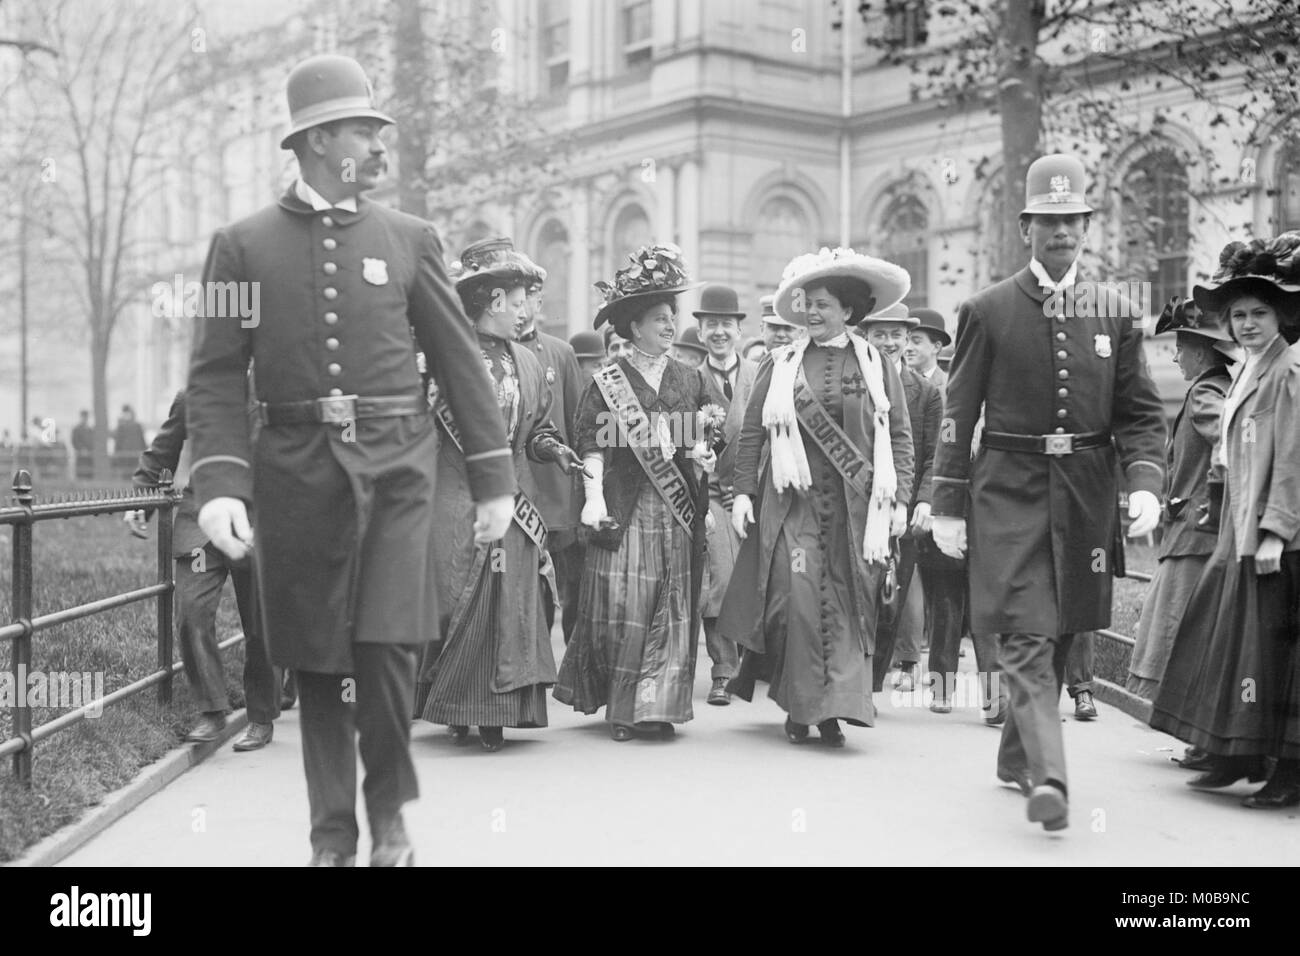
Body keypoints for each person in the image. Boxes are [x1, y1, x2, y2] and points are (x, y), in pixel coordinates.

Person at [187, 54, 515, 866]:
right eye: (364, 129)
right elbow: (218, 374)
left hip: (400, 472)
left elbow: (459, 361)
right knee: (318, 657)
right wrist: (221, 482)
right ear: (317, 139)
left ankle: (391, 816)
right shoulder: (238, 248)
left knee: (388, 647)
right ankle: (332, 836)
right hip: (295, 476)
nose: (377, 143)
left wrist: (492, 479)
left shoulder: (411, 239)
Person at [931, 154, 1166, 831]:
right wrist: (947, 503)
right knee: (1028, 637)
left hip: (1087, 496)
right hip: (1009, 493)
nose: (1063, 233)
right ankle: (1051, 777)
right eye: (1050, 222)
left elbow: (1142, 414)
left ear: (1086, 226)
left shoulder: (1116, 315)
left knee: (1063, 632)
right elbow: (957, 410)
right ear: (1026, 227)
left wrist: (1145, 482)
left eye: (1074, 221)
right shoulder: (988, 310)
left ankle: (1014, 756)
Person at [720, 247, 914, 746]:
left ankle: (834, 712)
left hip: (856, 512)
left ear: (848, 311)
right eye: (807, 303)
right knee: (795, 600)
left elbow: (899, 438)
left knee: (849, 607)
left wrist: (900, 502)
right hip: (793, 507)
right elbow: (751, 436)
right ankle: (800, 704)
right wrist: (742, 493)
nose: (811, 312)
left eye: (823, 304)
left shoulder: (875, 364)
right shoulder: (780, 364)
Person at [1149, 234, 1300, 809]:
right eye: (1237, 315)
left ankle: (1286, 773)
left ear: (1281, 314)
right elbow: (1230, 453)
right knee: (1240, 649)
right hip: (1238, 526)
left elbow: (1291, 455)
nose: (1247, 324)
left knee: (1278, 662)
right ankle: (1231, 751)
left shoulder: (1288, 370)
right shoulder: (1248, 372)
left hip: (1276, 538)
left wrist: (1277, 529)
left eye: (1259, 312)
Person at [415, 242, 583, 752]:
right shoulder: (443, 361)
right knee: (454, 600)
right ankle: (452, 710)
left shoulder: (528, 364)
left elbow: (533, 431)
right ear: (492, 302)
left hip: (512, 501)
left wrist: (554, 449)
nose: (527, 311)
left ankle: (495, 713)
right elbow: (418, 432)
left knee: (509, 607)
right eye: (518, 301)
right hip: (454, 498)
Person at [554, 243, 714, 741]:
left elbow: (703, 434)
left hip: (676, 512)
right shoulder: (608, 381)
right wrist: (594, 499)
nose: (670, 325)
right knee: (625, 604)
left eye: (672, 317)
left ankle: (660, 707)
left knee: (672, 602)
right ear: (635, 327)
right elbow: (590, 443)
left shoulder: (690, 378)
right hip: (625, 508)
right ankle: (624, 709)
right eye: (659, 318)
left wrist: (703, 454)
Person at [126, 389, 285, 751]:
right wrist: (141, 499)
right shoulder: (195, 393)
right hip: (202, 521)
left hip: (261, 521)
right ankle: (212, 709)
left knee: (261, 626)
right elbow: (163, 449)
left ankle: (261, 715)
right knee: (191, 612)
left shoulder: (280, 387)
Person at [1126, 297, 1235, 707]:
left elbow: (1228, 440)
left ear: (1203, 351)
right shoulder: (1217, 387)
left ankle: (1185, 717)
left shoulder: (1207, 391)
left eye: (1181, 348)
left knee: (1177, 630)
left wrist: (1210, 491)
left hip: (1195, 534)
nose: (1174, 357)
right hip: (1194, 531)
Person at [858, 302, 942, 696]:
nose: (888, 342)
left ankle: (872, 686)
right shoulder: (853, 379)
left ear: (907, 340)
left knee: (891, 600)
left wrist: (923, 501)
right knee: (853, 595)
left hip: (902, 511)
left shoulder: (925, 393)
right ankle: (851, 683)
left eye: (896, 335)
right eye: (880, 334)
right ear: (866, 336)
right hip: (857, 506)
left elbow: (932, 456)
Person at [511, 242, 586, 645]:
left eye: (531, 298)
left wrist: (585, 493)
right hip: (518, 490)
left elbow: (577, 424)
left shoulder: (560, 353)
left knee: (570, 587)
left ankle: (573, 662)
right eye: (516, 300)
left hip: (557, 493)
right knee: (529, 588)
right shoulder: (495, 353)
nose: (524, 309)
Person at [693, 283, 759, 705]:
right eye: (711, 324)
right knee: (718, 580)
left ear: (738, 329)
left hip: (754, 491)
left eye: (726, 325)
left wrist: (751, 490)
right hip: (711, 494)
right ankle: (723, 670)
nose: (719, 332)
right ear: (700, 332)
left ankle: (758, 666)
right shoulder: (689, 379)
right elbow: (682, 442)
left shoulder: (761, 374)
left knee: (757, 580)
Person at [72, 411, 93, 480]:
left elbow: (92, 441)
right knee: (81, 474)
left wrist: (89, 450)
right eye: (84, 417)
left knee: (89, 474)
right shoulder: (76, 429)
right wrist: (81, 449)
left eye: (86, 417)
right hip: (80, 455)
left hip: (89, 456)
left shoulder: (90, 429)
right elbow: (75, 441)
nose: (85, 419)